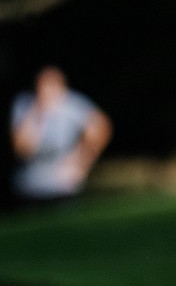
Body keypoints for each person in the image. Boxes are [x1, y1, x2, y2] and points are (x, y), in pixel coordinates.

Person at [10, 67, 112, 201]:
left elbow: (101, 127)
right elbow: (21, 149)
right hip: (30, 185)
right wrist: (36, 113)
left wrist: (82, 161)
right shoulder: (24, 104)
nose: (45, 91)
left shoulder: (72, 104)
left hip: (64, 185)